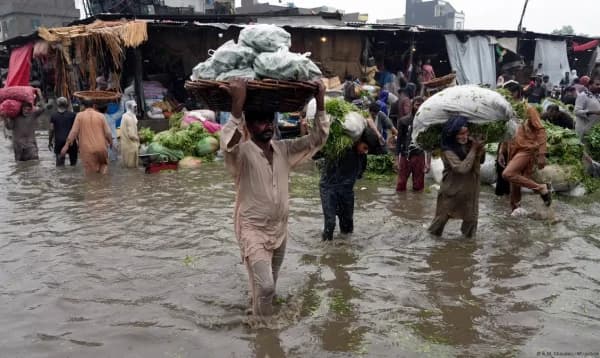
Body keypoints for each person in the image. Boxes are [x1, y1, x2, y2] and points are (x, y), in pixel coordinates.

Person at [220, 79, 329, 318]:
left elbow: (318, 139)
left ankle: (260, 313)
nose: (267, 126)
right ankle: (262, 331)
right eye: (260, 121)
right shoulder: (242, 153)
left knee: (271, 284)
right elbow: (228, 143)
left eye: (270, 120)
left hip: (280, 228)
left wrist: (320, 102)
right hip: (252, 229)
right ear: (249, 124)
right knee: (266, 286)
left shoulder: (283, 150)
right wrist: (237, 106)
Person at [428, 116, 485, 238]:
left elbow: (481, 161)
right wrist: (474, 149)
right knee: (439, 223)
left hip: (470, 190)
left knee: (470, 222)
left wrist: (480, 148)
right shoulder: (447, 150)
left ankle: (466, 250)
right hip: (451, 190)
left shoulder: (470, 144)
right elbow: (461, 169)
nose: (464, 136)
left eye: (466, 133)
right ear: (453, 135)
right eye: (460, 134)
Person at [502, 106, 551, 212]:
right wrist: (502, 151)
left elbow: (541, 130)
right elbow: (507, 133)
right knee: (515, 183)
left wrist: (542, 154)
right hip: (513, 150)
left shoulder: (528, 109)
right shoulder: (508, 111)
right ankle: (516, 210)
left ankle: (541, 188)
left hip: (527, 149)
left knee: (508, 174)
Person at [319, 140, 368, 241]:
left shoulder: (362, 156)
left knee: (347, 226)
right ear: (358, 142)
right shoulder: (337, 148)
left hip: (347, 191)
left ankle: (345, 249)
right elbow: (315, 154)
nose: (365, 151)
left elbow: (359, 174)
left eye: (367, 149)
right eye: (364, 148)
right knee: (330, 223)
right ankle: (326, 248)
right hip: (328, 188)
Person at [61, 99, 113, 175]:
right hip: (102, 148)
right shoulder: (101, 116)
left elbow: (74, 132)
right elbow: (108, 132)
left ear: (83, 106)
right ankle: (103, 185)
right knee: (103, 166)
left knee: (90, 175)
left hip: (87, 149)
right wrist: (111, 142)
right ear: (94, 106)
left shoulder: (79, 116)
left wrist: (66, 145)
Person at [396, 96, 428, 192]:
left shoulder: (426, 123)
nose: (419, 107)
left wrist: (428, 162)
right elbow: (399, 141)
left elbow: (428, 143)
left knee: (418, 186)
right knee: (401, 185)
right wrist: (396, 159)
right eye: (417, 105)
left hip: (419, 155)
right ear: (412, 106)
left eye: (422, 105)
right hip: (405, 155)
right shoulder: (403, 121)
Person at [4, 88, 45, 161]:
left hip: (31, 145)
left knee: (34, 163)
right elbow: (9, 127)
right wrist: (5, 118)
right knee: (19, 166)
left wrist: (39, 94)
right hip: (18, 146)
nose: (26, 111)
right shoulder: (15, 116)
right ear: (21, 108)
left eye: (28, 110)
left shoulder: (33, 114)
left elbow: (43, 108)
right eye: (25, 109)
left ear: (31, 109)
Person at [49, 97, 77, 166]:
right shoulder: (73, 115)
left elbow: (51, 130)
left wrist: (50, 142)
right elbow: (76, 129)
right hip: (71, 141)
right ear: (67, 105)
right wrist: (79, 141)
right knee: (73, 165)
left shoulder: (53, 116)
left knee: (60, 166)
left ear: (57, 105)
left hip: (59, 141)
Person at [574, 75, 600, 140]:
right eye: (597, 84)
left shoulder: (598, 96)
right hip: (584, 130)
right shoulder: (583, 95)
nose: (599, 86)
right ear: (590, 85)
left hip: (594, 130)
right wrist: (593, 112)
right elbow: (576, 111)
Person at [120, 100, 140, 168]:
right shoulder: (129, 118)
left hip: (125, 145)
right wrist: (139, 138)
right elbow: (131, 135)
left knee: (126, 166)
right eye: (134, 107)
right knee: (132, 168)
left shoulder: (124, 116)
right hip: (131, 146)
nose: (136, 108)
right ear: (130, 107)